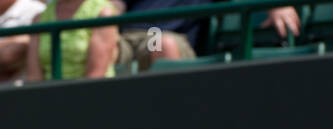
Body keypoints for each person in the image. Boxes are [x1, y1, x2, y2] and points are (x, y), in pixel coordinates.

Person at [111, 0, 301, 72]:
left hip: (162, 39)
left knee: (162, 43)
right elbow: (113, 6)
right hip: (126, 38)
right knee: (96, 46)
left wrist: (276, 5)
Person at [25, 0, 117, 80]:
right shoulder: (39, 19)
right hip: (49, 96)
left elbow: (96, 75)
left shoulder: (103, 13)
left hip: (91, 95)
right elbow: (34, 77)